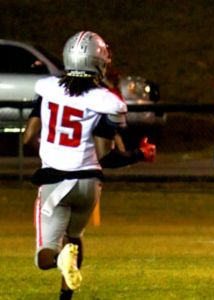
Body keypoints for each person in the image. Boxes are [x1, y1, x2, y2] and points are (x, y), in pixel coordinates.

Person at [23, 31, 156, 300]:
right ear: (99, 62)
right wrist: (140, 154)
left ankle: (60, 259)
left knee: (45, 255)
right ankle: (66, 298)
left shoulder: (47, 89)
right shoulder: (106, 100)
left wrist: (52, 154)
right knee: (74, 239)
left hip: (56, 180)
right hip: (89, 184)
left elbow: (28, 138)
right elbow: (109, 156)